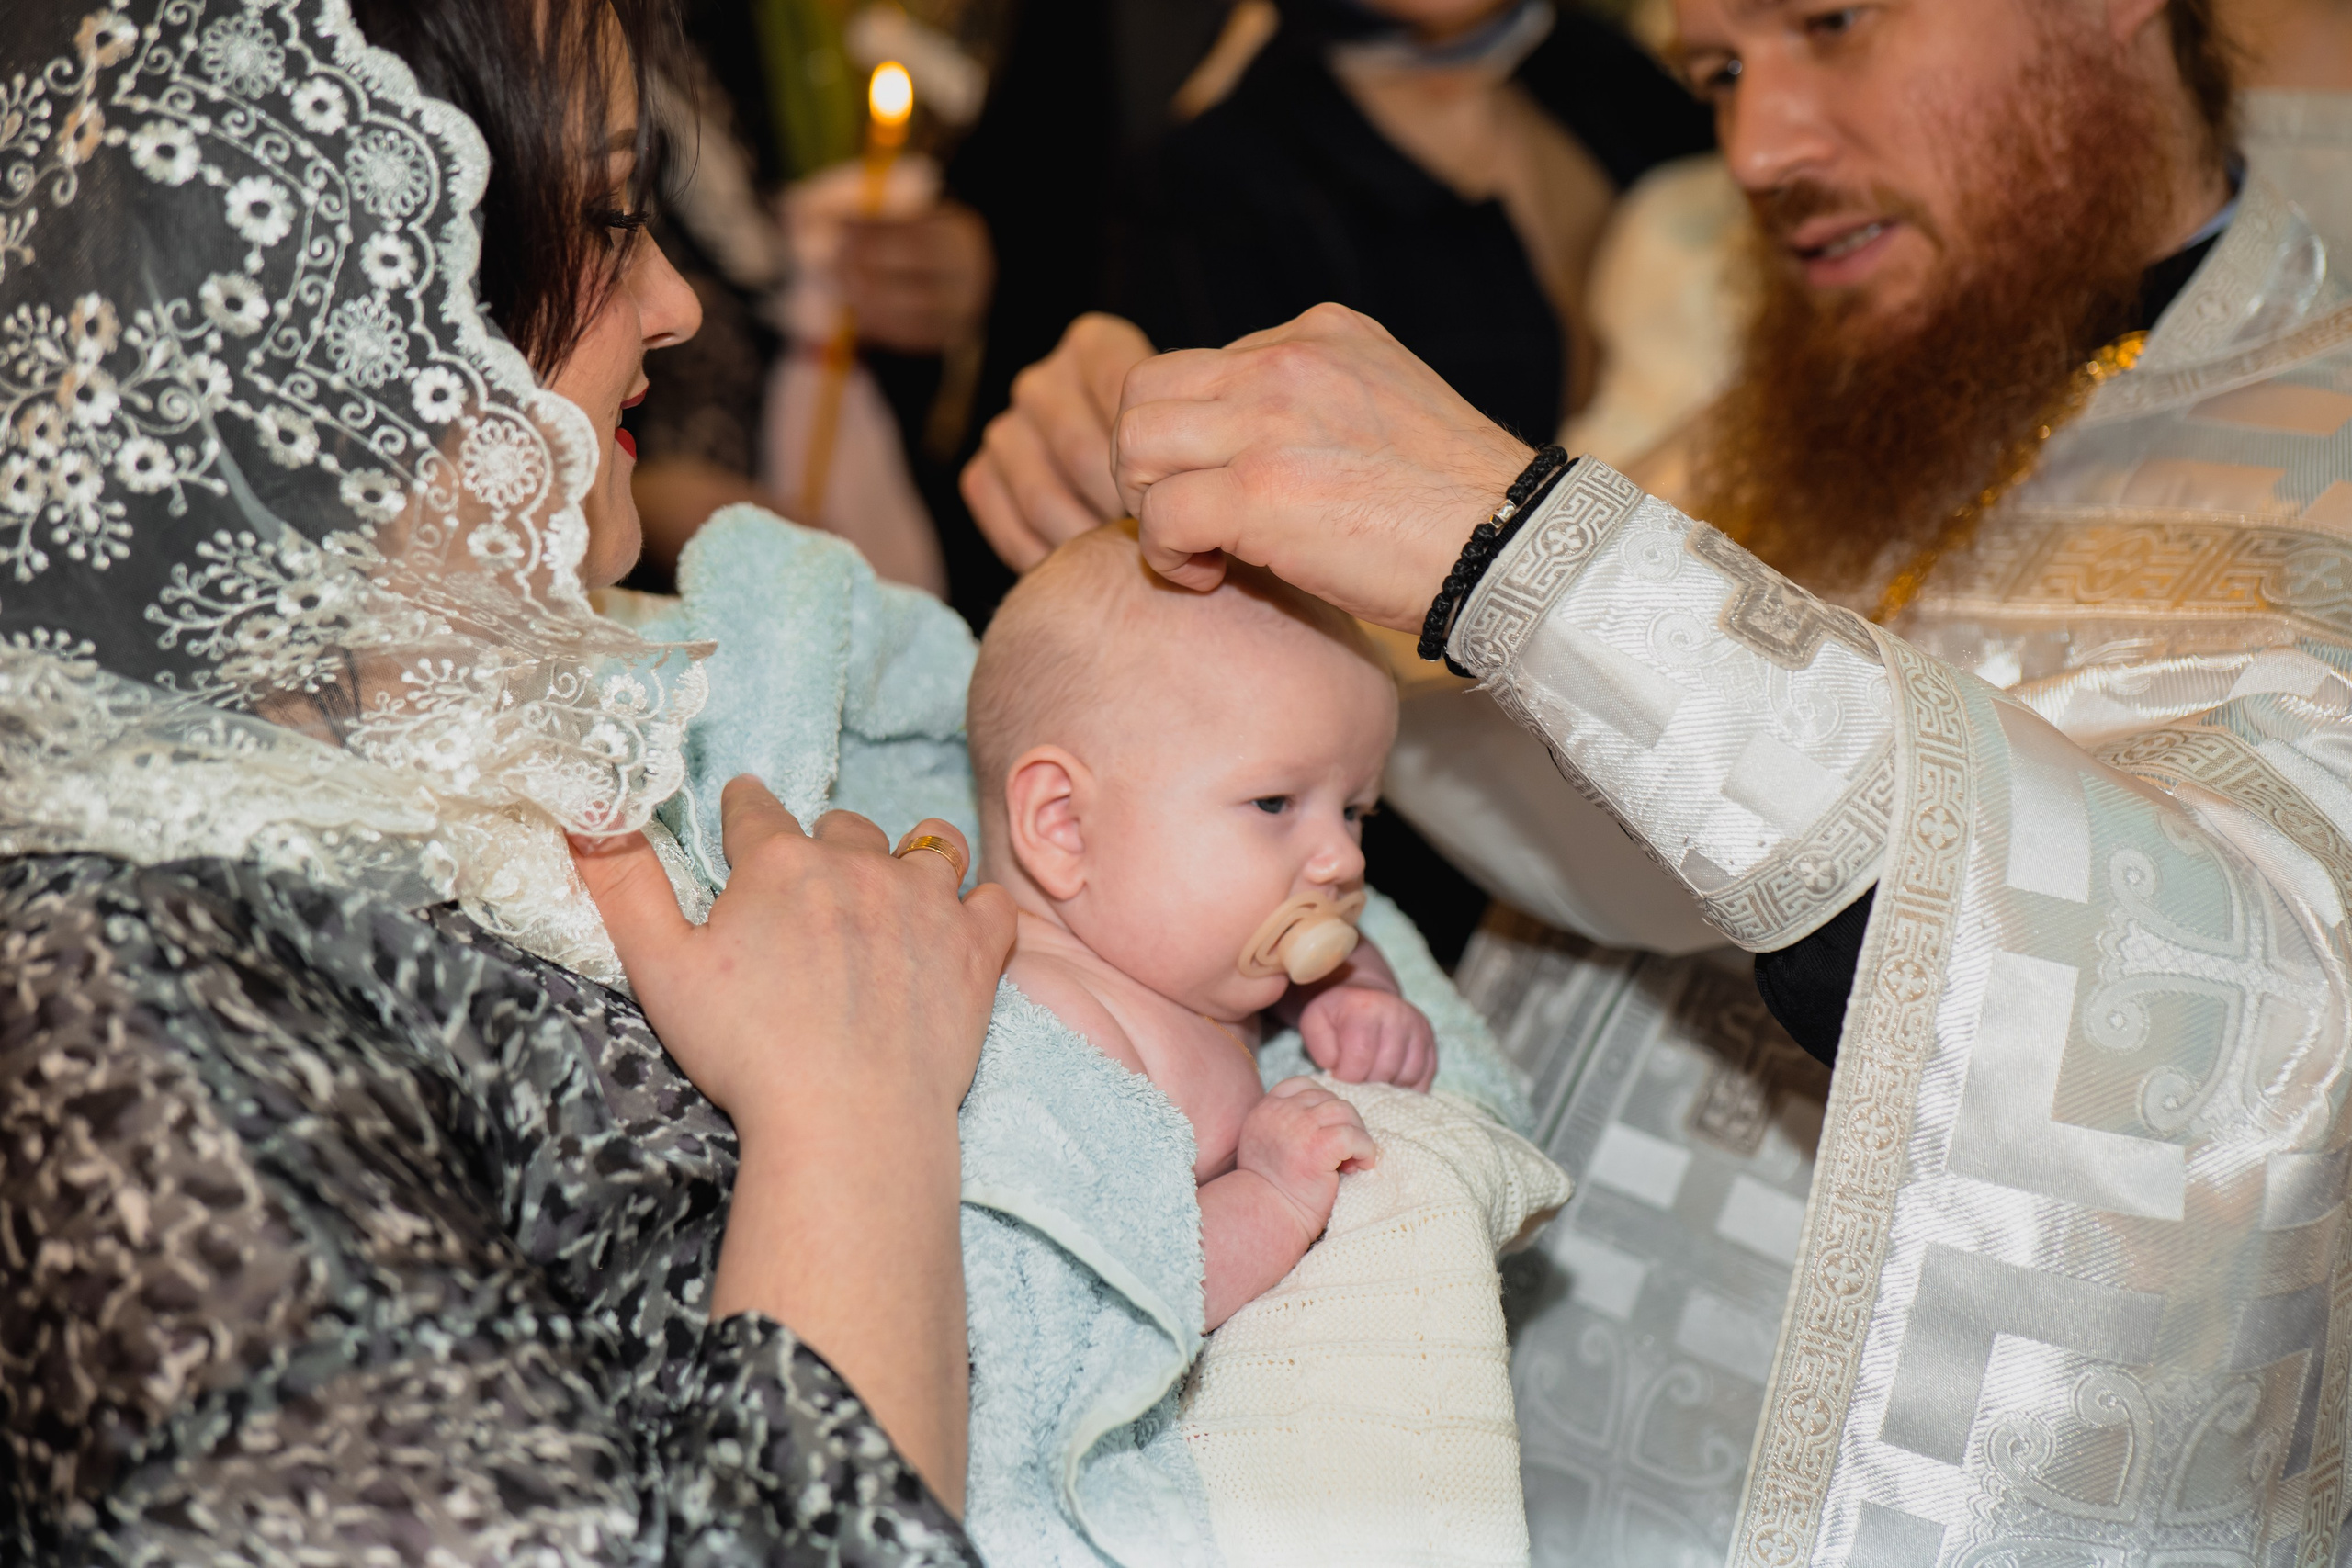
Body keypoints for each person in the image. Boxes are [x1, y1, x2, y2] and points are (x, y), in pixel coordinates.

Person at [962, 0, 2352, 1562]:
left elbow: (2247, 1040)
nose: (1757, 149)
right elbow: (1590, 823)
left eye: (1830, 24)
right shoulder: (1851, 382)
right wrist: (1199, 607)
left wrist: (1521, 552)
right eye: (1718, 74)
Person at [0, 0, 1013, 1559]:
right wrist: (853, 1110)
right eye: (607, 217)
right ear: (339, 289)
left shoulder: (538, 710)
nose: (673, 302)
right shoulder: (114, 970)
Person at [967, 525, 1439, 1328]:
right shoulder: (1043, 1021)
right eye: (1274, 803)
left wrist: (1351, 998)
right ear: (1064, 826)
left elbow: (1335, 954)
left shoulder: (1187, 962)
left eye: (1355, 810)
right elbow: (1089, 1299)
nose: (1342, 858)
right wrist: (1271, 1197)